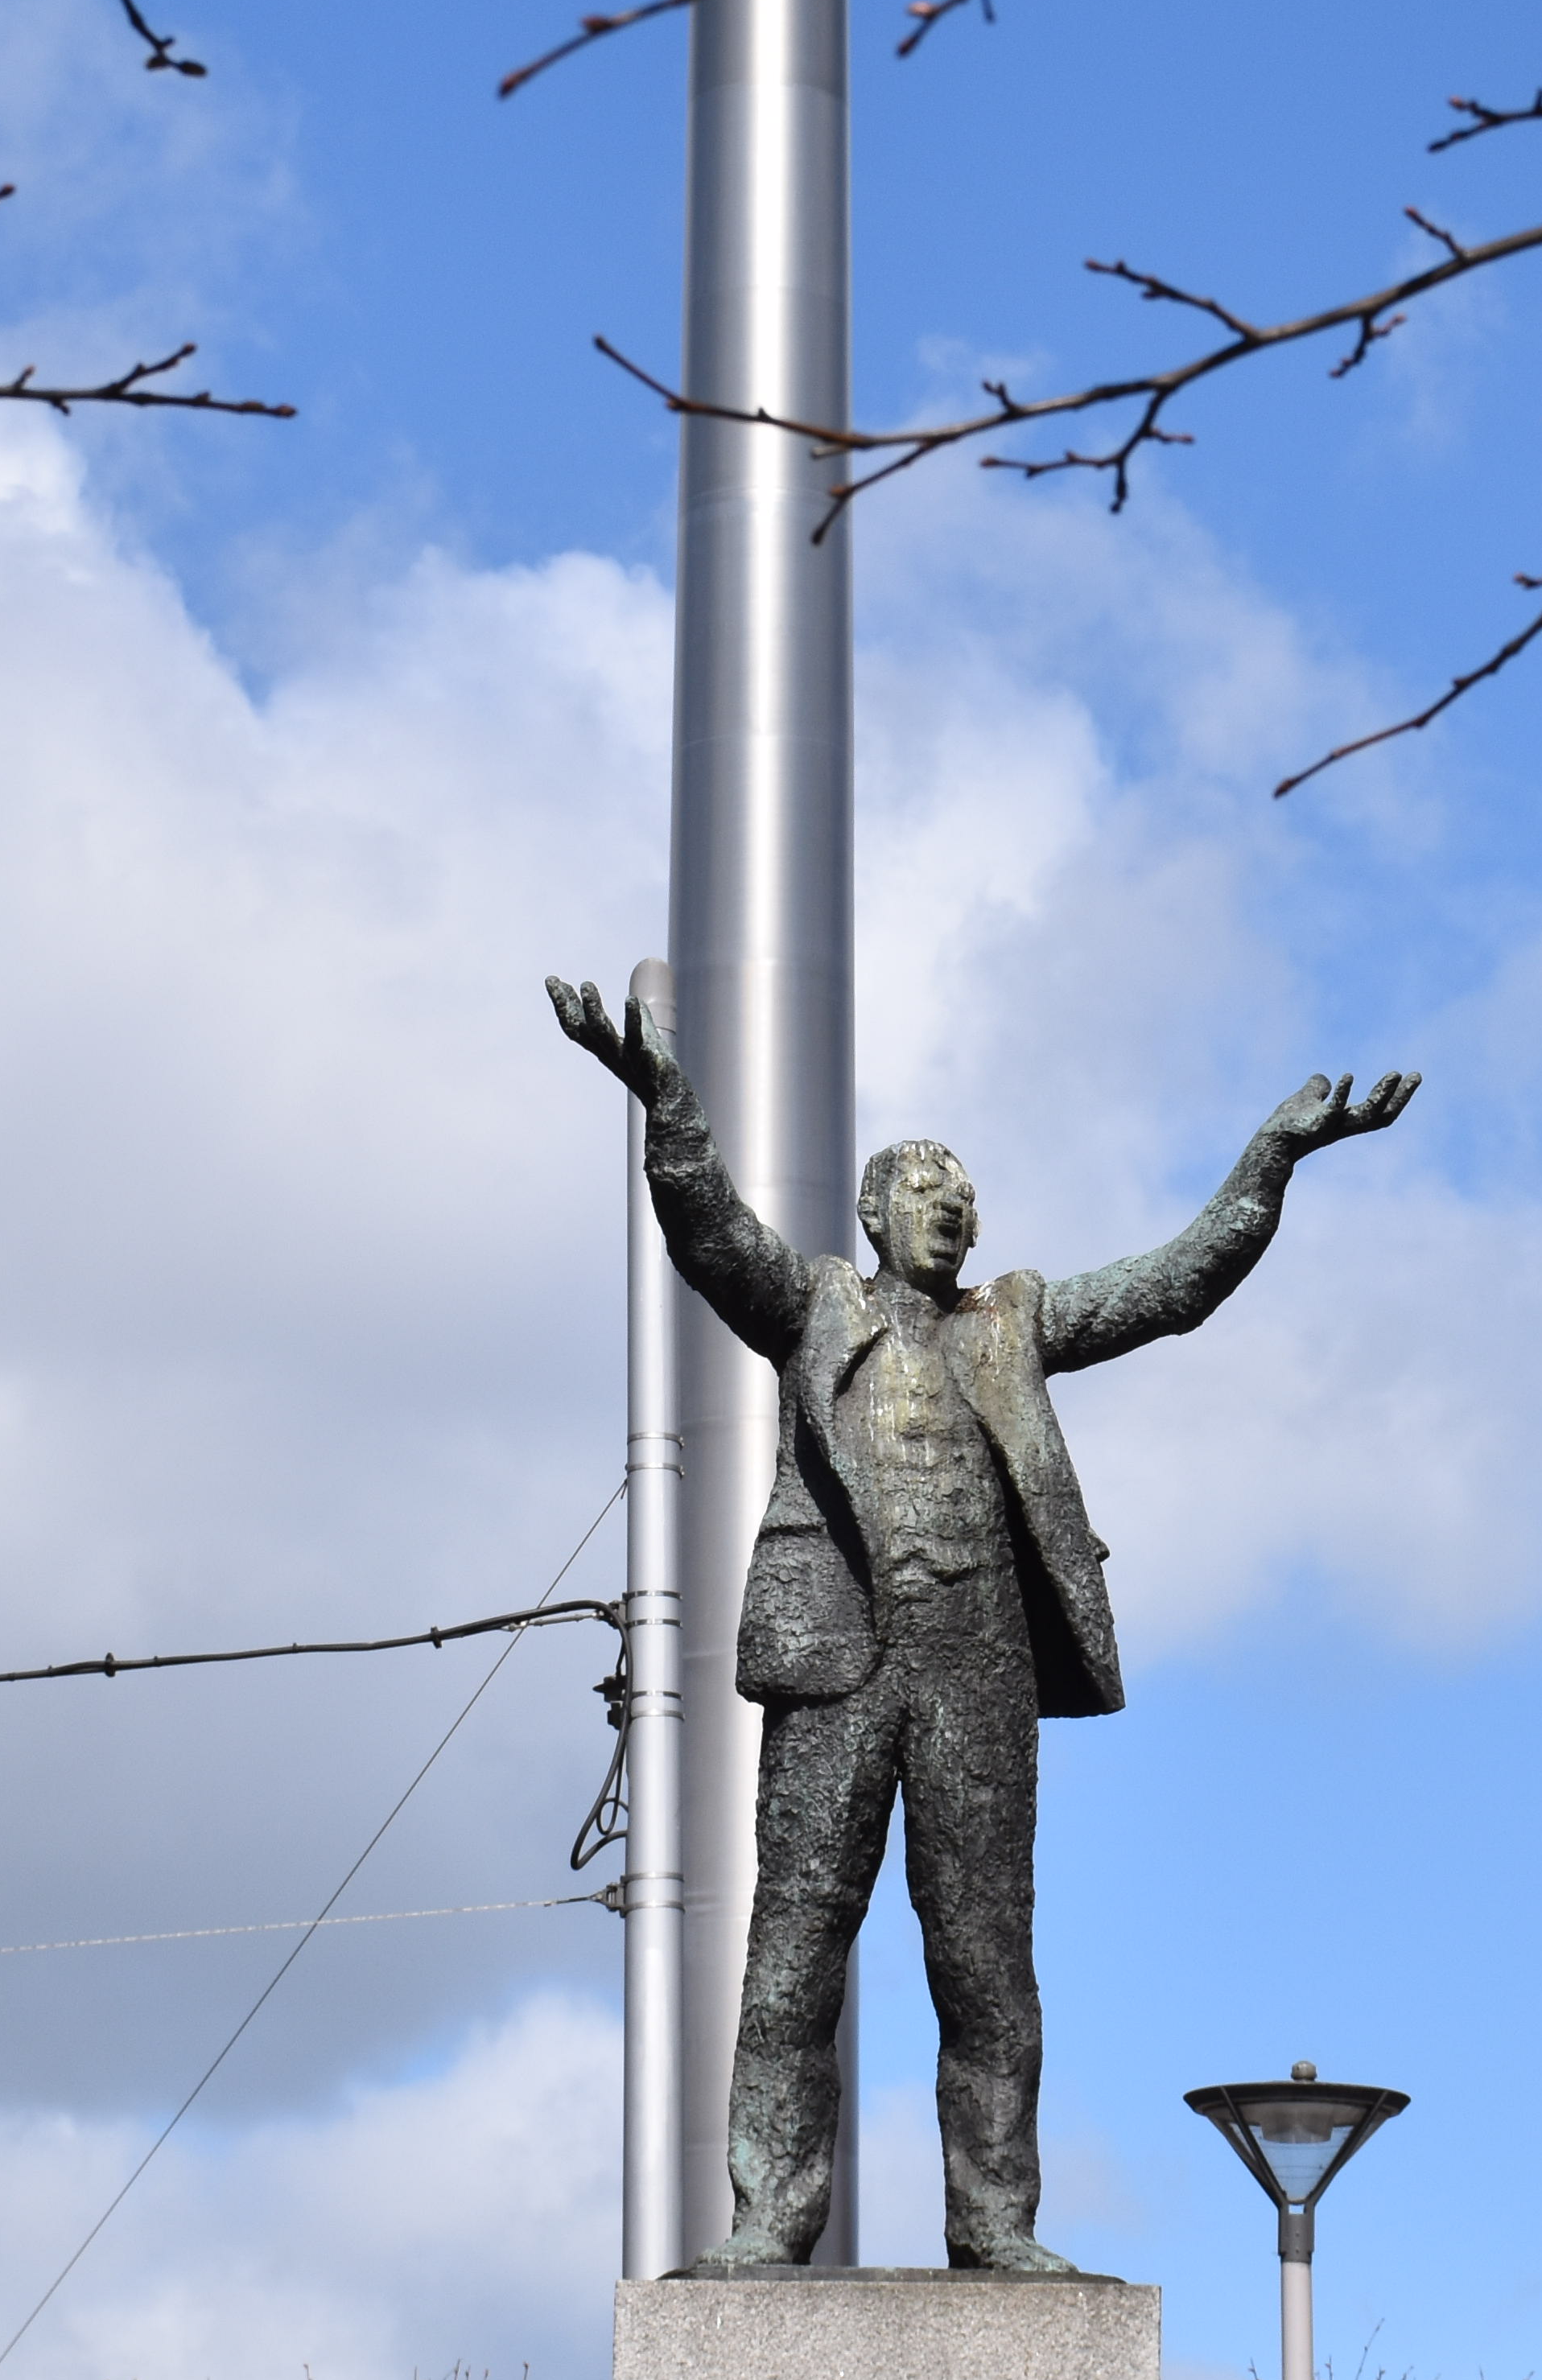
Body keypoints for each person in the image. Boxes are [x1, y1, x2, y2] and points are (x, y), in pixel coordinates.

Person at [549, 974, 1416, 2271]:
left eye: (965, 1196)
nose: (951, 1210)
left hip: (978, 1667)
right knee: (793, 1954)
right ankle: (770, 2216)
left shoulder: (1015, 1321)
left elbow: (1176, 1283)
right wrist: (669, 1106)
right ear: (874, 1216)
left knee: (986, 1963)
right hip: (839, 1658)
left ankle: (997, 2222)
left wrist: (1270, 1159)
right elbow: (712, 1232)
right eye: (926, 1192)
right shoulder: (815, 1306)